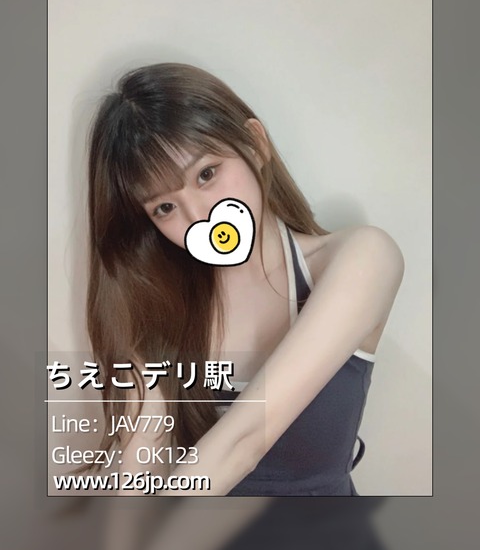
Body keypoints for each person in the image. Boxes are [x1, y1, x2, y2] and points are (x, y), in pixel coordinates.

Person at [87, 62, 404, 497]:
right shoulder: (164, 306)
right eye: (164, 207)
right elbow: (137, 468)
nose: (199, 217)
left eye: (206, 174)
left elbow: (245, 442)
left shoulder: (361, 257)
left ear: (255, 144)